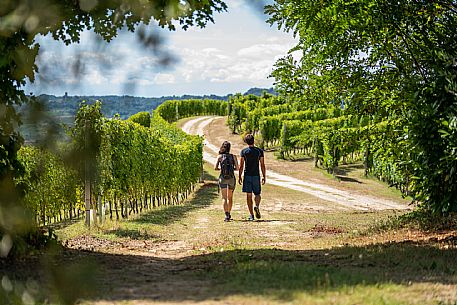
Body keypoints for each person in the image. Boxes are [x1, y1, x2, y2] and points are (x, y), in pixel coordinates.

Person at [238, 134, 266, 221]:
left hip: (247, 175)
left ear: (246, 142)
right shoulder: (259, 151)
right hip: (256, 175)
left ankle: (251, 215)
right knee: (257, 194)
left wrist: (239, 176)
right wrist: (264, 176)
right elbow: (262, 164)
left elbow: (241, 165)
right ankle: (256, 206)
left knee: (249, 195)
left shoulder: (244, 152)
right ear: (254, 140)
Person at [215, 141, 239, 222]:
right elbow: (237, 168)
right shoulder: (233, 157)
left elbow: (215, 168)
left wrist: (221, 169)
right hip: (231, 178)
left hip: (223, 178)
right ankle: (229, 212)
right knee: (230, 197)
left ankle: (226, 215)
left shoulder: (220, 157)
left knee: (224, 197)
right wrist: (231, 169)